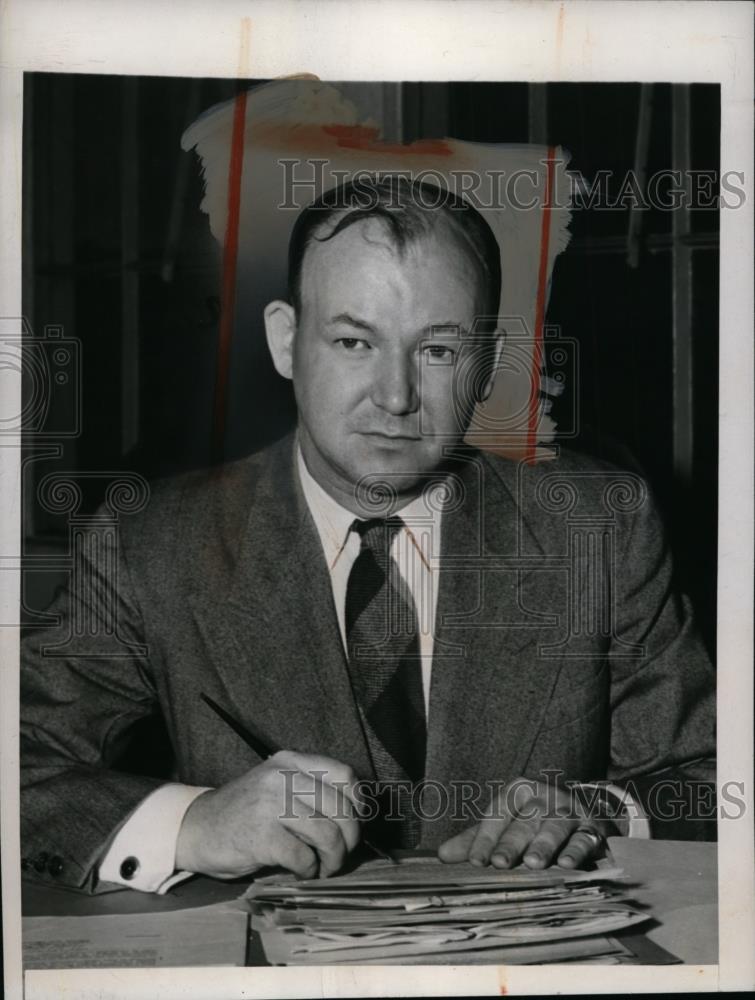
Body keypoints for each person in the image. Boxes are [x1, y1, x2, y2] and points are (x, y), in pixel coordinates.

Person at [20, 176, 715, 895]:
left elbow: (710, 777)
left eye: (438, 351)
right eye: (354, 341)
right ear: (286, 341)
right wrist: (193, 822)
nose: (394, 397)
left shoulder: (599, 525)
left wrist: (598, 810)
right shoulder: (149, 543)